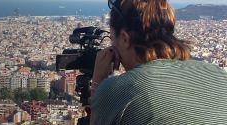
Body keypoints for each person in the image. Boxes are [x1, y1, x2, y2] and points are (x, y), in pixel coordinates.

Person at [89, 0, 227, 124]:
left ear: (125, 38)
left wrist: (98, 82)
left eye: (112, 38)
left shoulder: (118, 90)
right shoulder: (218, 73)